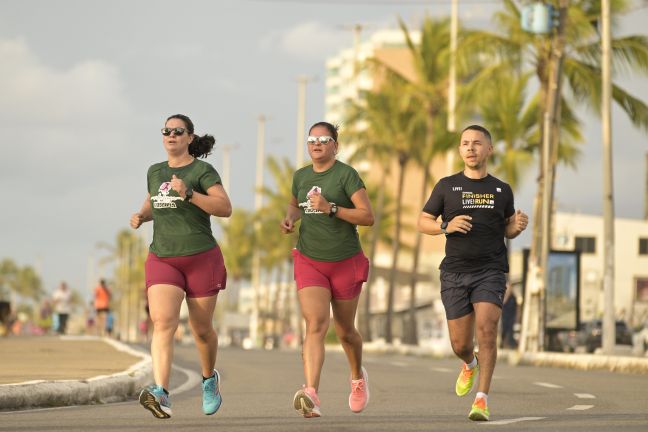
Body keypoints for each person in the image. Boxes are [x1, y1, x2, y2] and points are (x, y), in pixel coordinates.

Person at [418, 125, 528, 422]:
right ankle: (469, 363)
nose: (470, 148)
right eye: (465, 143)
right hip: (454, 272)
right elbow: (423, 221)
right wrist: (445, 226)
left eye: (477, 143)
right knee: (460, 344)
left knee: (487, 329)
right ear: (459, 150)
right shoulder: (446, 186)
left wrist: (515, 229)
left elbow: (505, 228)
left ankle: (481, 399)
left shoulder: (501, 189)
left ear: (488, 150)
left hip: (490, 271)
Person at [130, 113, 232, 419]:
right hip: (163, 257)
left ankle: (209, 379)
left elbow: (224, 207)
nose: (171, 135)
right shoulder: (155, 171)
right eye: (167, 131)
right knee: (163, 323)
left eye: (178, 131)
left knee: (202, 331)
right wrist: (141, 215)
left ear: (189, 137)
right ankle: (161, 392)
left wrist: (188, 193)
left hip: (201, 257)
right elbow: (153, 200)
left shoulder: (202, 170)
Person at [280, 121, 374, 418]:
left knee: (345, 332)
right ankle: (311, 393)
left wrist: (331, 208)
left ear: (335, 144)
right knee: (316, 324)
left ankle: (357, 378)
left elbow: (367, 216)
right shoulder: (301, 176)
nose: (317, 144)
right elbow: (295, 205)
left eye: (323, 139)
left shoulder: (346, 175)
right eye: (312, 140)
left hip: (345, 261)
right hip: (310, 260)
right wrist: (290, 219)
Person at [500, 282, 518, 349]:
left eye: (509, 288)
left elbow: (516, 308)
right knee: (503, 331)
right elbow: (502, 304)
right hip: (504, 317)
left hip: (511, 317)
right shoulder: (503, 296)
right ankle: (502, 344)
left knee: (510, 331)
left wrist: (516, 317)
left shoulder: (513, 297)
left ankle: (511, 345)